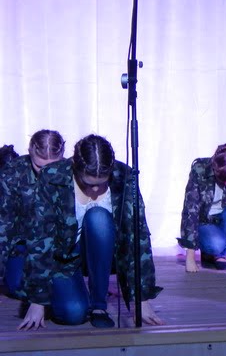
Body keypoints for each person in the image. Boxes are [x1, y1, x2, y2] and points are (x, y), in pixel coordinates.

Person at [17, 134, 163, 330]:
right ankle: (69, 292)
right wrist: (38, 300)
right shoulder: (51, 176)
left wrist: (141, 298)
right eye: (88, 184)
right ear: (75, 168)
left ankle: (99, 305)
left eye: (101, 184)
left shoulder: (124, 177)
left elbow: (137, 236)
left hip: (103, 256)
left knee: (98, 217)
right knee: (74, 313)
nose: (95, 190)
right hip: (63, 259)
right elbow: (40, 238)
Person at [0, 130, 66, 298]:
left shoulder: (71, 173)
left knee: (67, 301)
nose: (46, 173)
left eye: (52, 167)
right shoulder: (12, 173)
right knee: (19, 287)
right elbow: (3, 227)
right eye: (40, 167)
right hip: (24, 245)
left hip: (60, 248)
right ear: (30, 152)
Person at [178, 144, 226, 272]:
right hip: (205, 222)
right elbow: (190, 210)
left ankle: (220, 255)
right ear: (215, 167)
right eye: (222, 178)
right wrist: (190, 258)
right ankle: (212, 251)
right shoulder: (200, 170)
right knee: (216, 244)